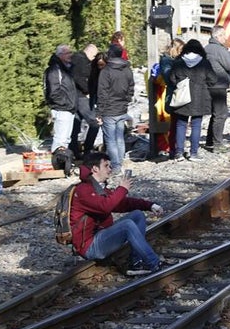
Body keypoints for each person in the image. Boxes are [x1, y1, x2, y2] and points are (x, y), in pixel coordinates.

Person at [68, 152, 168, 276]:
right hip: (89, 246)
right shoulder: (84, 190)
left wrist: (150, 205)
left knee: (137, 215)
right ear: (95, 168)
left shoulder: (99, 188)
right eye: (106, 166)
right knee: (127, 225)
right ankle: (154, 263)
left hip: (100, 236)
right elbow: (105, 207)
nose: (110, 170)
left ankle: (136, 262)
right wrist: (122, 188)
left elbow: (122, 204)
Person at [167, 38, 212, 162]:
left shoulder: (178, 62)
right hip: (200, 98)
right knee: (196, 125)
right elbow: (213, 79)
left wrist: (180, 84)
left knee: (181, 124)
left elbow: (171, 79)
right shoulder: (204, 63)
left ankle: (179, 153)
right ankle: (193, 153)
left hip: (182, 97)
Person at [96, 42, 134, 175]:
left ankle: (116, 165)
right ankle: (120, 161)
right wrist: (127, 101)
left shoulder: (106, 71)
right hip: (122, 108)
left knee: (111, 139)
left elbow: (102, 93)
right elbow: (131, 88)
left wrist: (99, 112)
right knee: (119, 137)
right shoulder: (127, 69)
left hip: (109, 109)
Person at [204, 26, 230, 153]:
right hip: (219, 84)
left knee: (214, 114)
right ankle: (217, 144)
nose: (225, 37)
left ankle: (209, 140)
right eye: (223, 35)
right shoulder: (219, 50)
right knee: (221, 114)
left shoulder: (206, 48)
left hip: (209, 84)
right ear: (217, 36)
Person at [69, 44, 101, 157]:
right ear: (91, 53)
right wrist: (88, 90)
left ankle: (74, 151)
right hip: (81, 96)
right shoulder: (81, 61)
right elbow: (78, 78)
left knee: (75, 125)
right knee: (95, 123)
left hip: (73, 96)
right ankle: (88, 148)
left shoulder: (75, 58)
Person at [44, 44, 77, 154]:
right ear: (60, 55)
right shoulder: (55, 70)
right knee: (60, 140)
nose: (70, 55)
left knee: (66, 139)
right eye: (68, 53)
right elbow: (53, 92)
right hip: (62, 108)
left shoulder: (66, 69)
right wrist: (66, 103)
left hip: (69, 108)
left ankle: (63, 161)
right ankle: (57, 161)